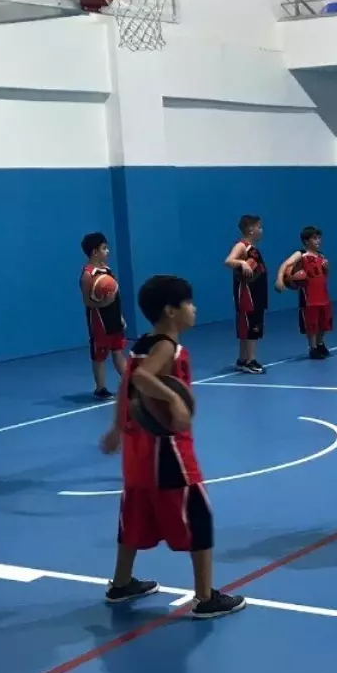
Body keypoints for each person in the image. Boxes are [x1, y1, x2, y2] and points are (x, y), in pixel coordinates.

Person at [98, 274, 246, 619]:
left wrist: (118, 427)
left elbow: (126, 384)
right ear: (171, 311)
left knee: (134, 515)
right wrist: (173, 400)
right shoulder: (167, 347)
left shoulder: (141, 344)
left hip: (137, 451)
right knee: (199, 516)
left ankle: (121, 583)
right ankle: (205, 598)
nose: (194, 309)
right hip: (168, 452)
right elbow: (141, 378)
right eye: (189, 303)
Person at [80, 232, 127, 399]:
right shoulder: (87, 275)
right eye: (104, 248)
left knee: (118, 351)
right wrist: (103, 304)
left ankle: (130, 383)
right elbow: (87, 301)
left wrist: (120, 316)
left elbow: (116, 297)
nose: (108, 251)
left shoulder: (107, 270)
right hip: (99, 321)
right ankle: (100, 389)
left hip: (114, 319)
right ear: (94, 252)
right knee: (100, 356)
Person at [275, 225, 332, 360]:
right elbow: (285, 265)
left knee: (324, 323)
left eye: (319, 238)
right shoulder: (301, 254)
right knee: (311, 324)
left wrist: (327, 268)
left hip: (323, 295)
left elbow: (325, 276)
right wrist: (280, 279)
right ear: (306, 241)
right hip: (309, 297)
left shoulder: (321, 256)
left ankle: (320, 343)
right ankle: (313, 348)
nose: (318, 241)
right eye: (315, 238)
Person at [224, 215, 268, 374]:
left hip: (257, 292)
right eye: (259, 227)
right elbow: (228, 261)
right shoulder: (242, 246)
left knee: (251, 325)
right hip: (247, 294)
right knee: (251, 326)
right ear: (250, 229)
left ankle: (243, 359)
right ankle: (250, 360)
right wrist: (242, 262)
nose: (261, 230)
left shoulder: (253, 248)